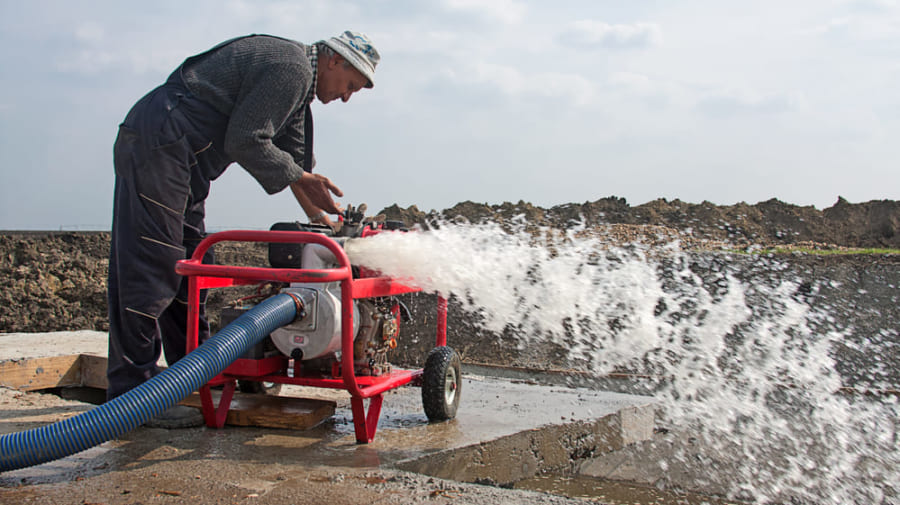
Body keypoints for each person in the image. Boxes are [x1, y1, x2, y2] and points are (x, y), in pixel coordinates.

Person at [107, 31, 380, 428]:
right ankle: (132, 394)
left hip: (187, 161)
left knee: (196, 266)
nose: (346, 97)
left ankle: (191, 376)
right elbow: (245, 141)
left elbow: (295, 173)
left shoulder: (299, 97)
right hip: (161, 142)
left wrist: (328, 226)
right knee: (155, 263)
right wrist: (303, 178)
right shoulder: (292, 69)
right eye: (351, 85)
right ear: (334, 60)